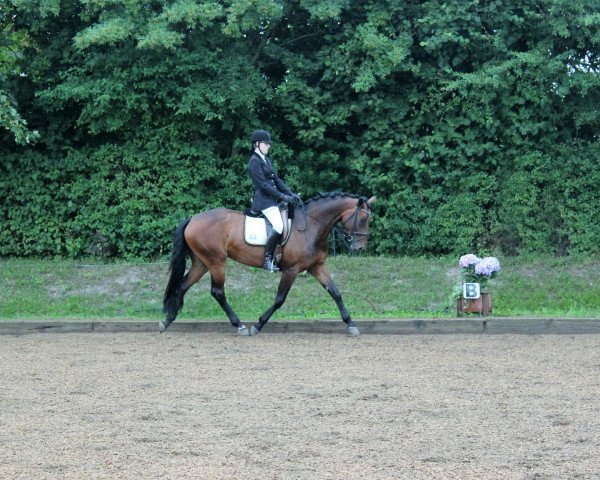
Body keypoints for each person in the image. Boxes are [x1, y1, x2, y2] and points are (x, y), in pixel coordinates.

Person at [247, 129, 300, 272]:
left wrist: (291, 194)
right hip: (264, 201)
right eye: (266, 143)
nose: (268, 146)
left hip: (273, 200)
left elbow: (277, 180)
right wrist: (283, 197)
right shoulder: (254, 162)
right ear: (257, 144)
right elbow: (263, 186)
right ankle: (267, 260)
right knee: (278, 225)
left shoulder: (265, 160)